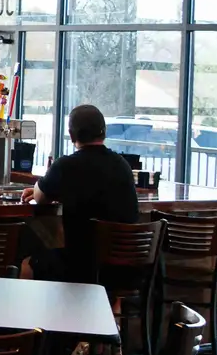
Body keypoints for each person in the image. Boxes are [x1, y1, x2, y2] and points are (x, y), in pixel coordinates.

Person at [20, 104, 139, 284]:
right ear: (103, 132)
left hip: (80, 266)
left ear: (72, 134)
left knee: (27, 263)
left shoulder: (66, 166)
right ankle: (113, 307)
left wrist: (40, 186)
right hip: (127, 267)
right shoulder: (122, 164)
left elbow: (40, 198)